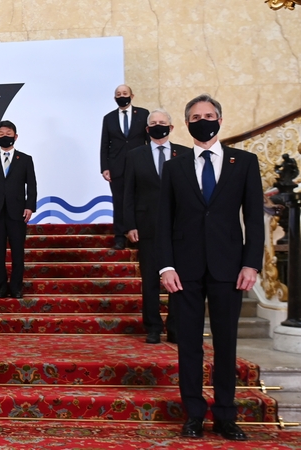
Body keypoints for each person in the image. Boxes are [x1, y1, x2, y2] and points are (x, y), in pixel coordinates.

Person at [157, 94, 263, 441]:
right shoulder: (174, 166)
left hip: (229, 268)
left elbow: (254, 219)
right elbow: (163, 220)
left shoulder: (244, 162)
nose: (204, 119)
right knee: (189, 344)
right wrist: (165, 266)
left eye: (210, 114)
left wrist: (251, 263)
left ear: (220, 119)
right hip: (183, 270)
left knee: (226, 344)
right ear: (187, 124)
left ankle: (226, 415)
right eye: (197, 116)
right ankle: (194, 414)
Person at [123, 109, 191, 344]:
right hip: (147, 226)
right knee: (150, 280)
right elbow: (128, 192)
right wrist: (130, 224)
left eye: (162, 123)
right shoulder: (134, 155)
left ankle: (175, 327)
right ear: (147, 128)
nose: (158, 126)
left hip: (179, 227)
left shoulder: (184, 154)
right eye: (154, 123)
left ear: (171, 128)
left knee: (179, 279)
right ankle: (153, 327)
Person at [0, 120, 37, 299]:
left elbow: (32, 185)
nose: (5, 136)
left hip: (18, 212)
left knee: (18, 251)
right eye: (1, 134)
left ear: (16, 136)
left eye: (9, 133)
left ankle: (16, 287)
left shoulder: (25, 159)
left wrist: (30, 206)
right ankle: (2, 286)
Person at [100, 84, 149, 249]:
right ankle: (120, 237)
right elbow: (104, 144)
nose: (122, 96)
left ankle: (137, 235)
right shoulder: (109, 118)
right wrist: (104, 167)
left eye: (125, 93)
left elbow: (149, 141)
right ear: (115, 98)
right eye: (118, 94)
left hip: (139, 165)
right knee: (119, 202)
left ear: (132, 96)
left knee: (138, 200)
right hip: (117, 167)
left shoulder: (143, 114)